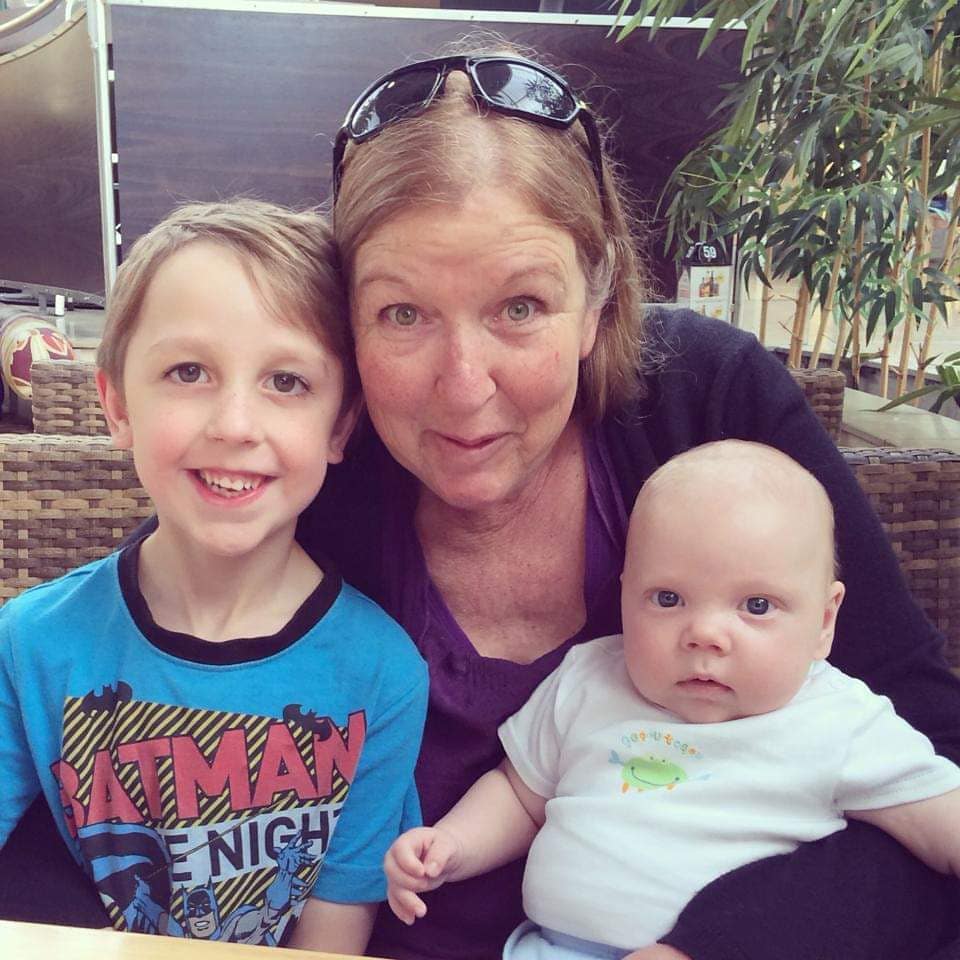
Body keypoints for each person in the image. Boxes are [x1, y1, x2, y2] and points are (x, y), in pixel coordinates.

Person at [3, 40, 960, 960]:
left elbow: (928, 749)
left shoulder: (704, 407)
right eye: (403, 314)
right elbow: (96, 732)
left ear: (598, 298)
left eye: (521, 307)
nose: (464, 387)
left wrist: (717, 946)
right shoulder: (308, 474)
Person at [0, 200, 428, 951]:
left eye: (287, 381)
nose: (234, 423)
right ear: (117, 403)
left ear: (340, 425)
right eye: (188, 371)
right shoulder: (30, 643)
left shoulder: (383, 674)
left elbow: (333, 935)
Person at [383, 440, 960, 959]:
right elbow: (519, 793)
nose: (704, 633)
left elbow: (939, 820)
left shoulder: (839, 721)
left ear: (825, 621)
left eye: (756, 606)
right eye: (667, 598)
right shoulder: (591, 678)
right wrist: (453, 844)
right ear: (624, 593)